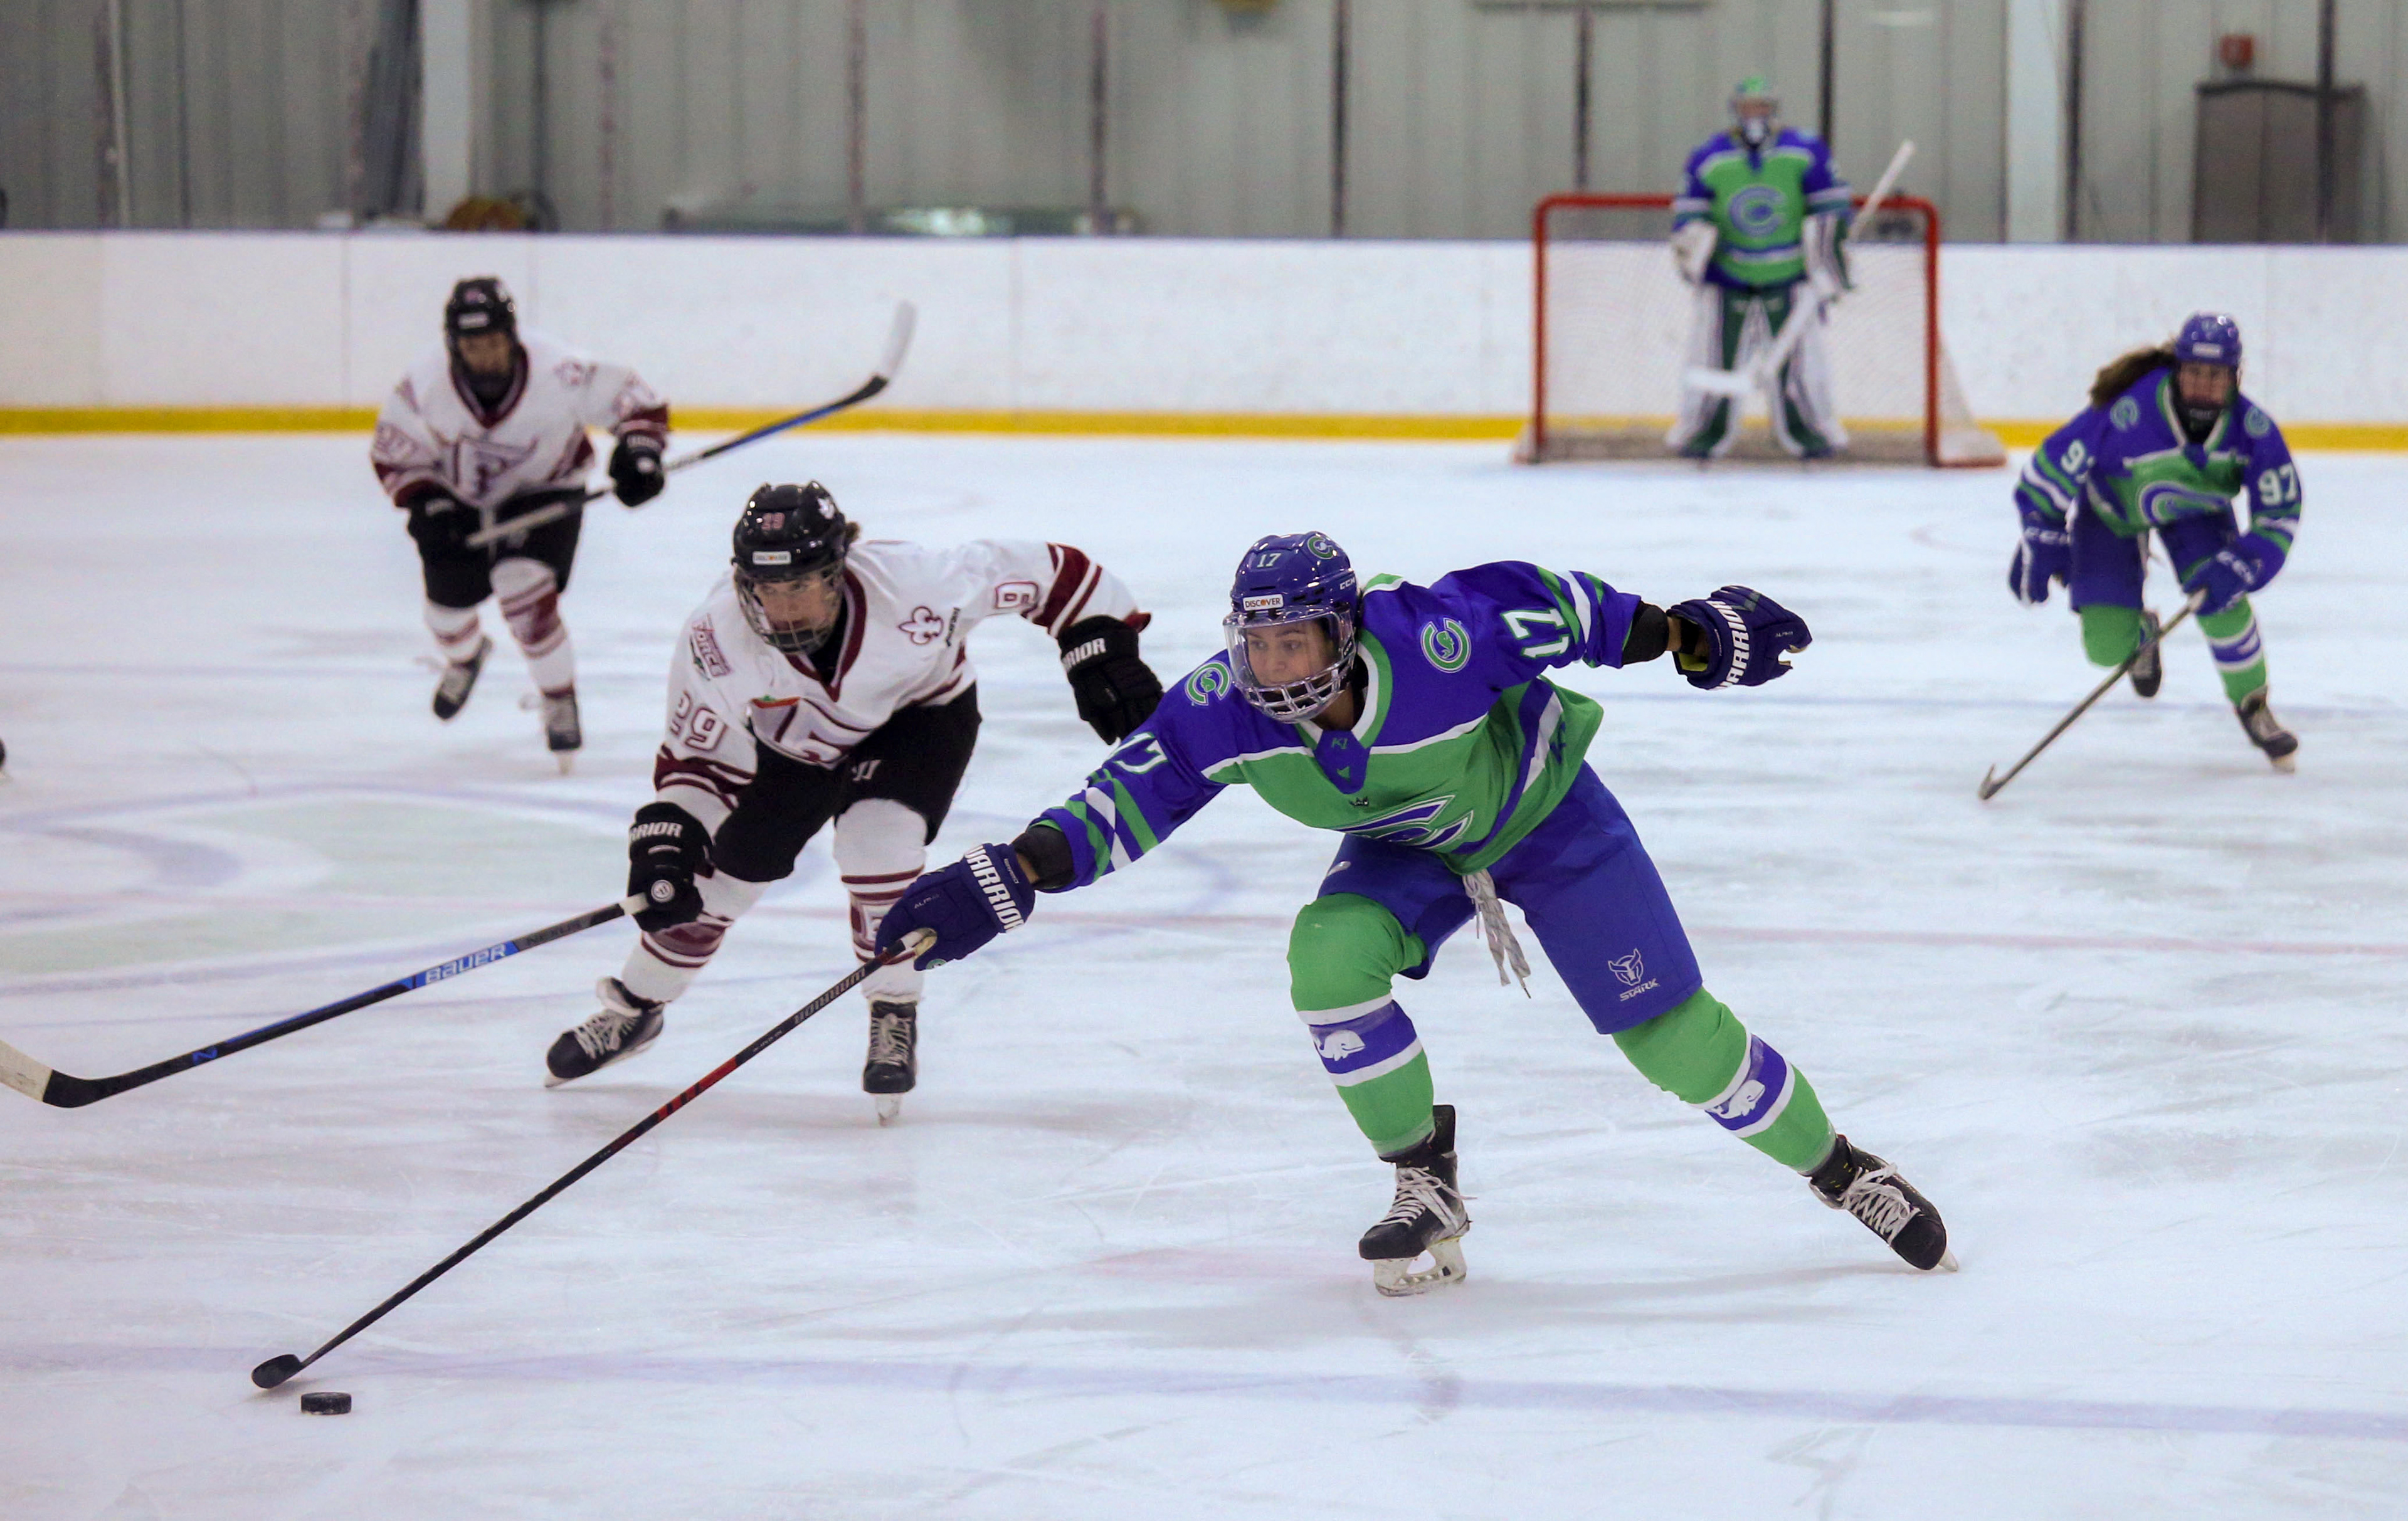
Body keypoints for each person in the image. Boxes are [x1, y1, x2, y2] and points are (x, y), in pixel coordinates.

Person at [871, 533, 1955, 1295]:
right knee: (1326, 960)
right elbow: (1124, 800)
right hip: (1410, 851)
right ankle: (1424, 1178)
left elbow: (1566, 608)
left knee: (1672, 1039)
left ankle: (1842, 1168)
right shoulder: (1222, 708)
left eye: (1295, 643)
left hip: (1548, 819)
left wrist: (1685, 634)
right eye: (1257, 644)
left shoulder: (1440, 636)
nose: (1272, 668)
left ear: (1345, 634)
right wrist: (1012, 873)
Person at [544, 482, 1164, 1122]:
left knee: (877, 844)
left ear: (838, 569)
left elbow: (1056, 573)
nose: (784, 606)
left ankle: (893, 1004)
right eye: (767, 588)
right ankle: (636, 1007)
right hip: (796, 748)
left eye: (801, 585)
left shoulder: (918, 584)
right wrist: (670, 838)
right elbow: (697, 761)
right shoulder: (716, 638)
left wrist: (1096, 647)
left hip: (921, 720)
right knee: (715, 884)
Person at [370, 276, 670, 769]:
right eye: (472, 345)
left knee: (523, 590)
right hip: (460, 502)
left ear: (512, 336)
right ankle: (467, 657)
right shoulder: (424, 384)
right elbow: (395, 452)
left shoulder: (560, 371)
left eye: (494, 341)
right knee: (445, 616)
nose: (485, 355)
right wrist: (428, 505)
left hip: (545, 490)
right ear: (454, 346)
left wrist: (640, 451)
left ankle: (558, 696)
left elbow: (633, 400)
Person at [2010, 312, 2301, 770]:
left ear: (2236, 377)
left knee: (2224, 604)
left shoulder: (2253, 430)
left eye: (2217, 375)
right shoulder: (2128, 411)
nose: (2204, 385)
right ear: (2177, 369)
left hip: (2197, 515)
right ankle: (2143, 634)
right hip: (2112, 511)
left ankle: (2253, 703)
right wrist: (2041, 530)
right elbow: (2050, 466)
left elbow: (2280, 514)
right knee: (2105, 649)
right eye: (2195, 372)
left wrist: (2248, 561)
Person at [1667, 76, 1854, 460]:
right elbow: (1689, 216)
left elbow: (1831, 211)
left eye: (1762, 107)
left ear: (1774, 110)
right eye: (1748, 107)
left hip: (1789, 275)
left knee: (1798, 366)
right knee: (1714, 361)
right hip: (1727, 276)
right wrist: (1694, 252)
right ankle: (1704, 433)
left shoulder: (1805, 150)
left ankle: (1810, 433)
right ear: (1735, 111)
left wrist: (1830, 266)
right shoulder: (1709, 155)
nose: (1755, 115)